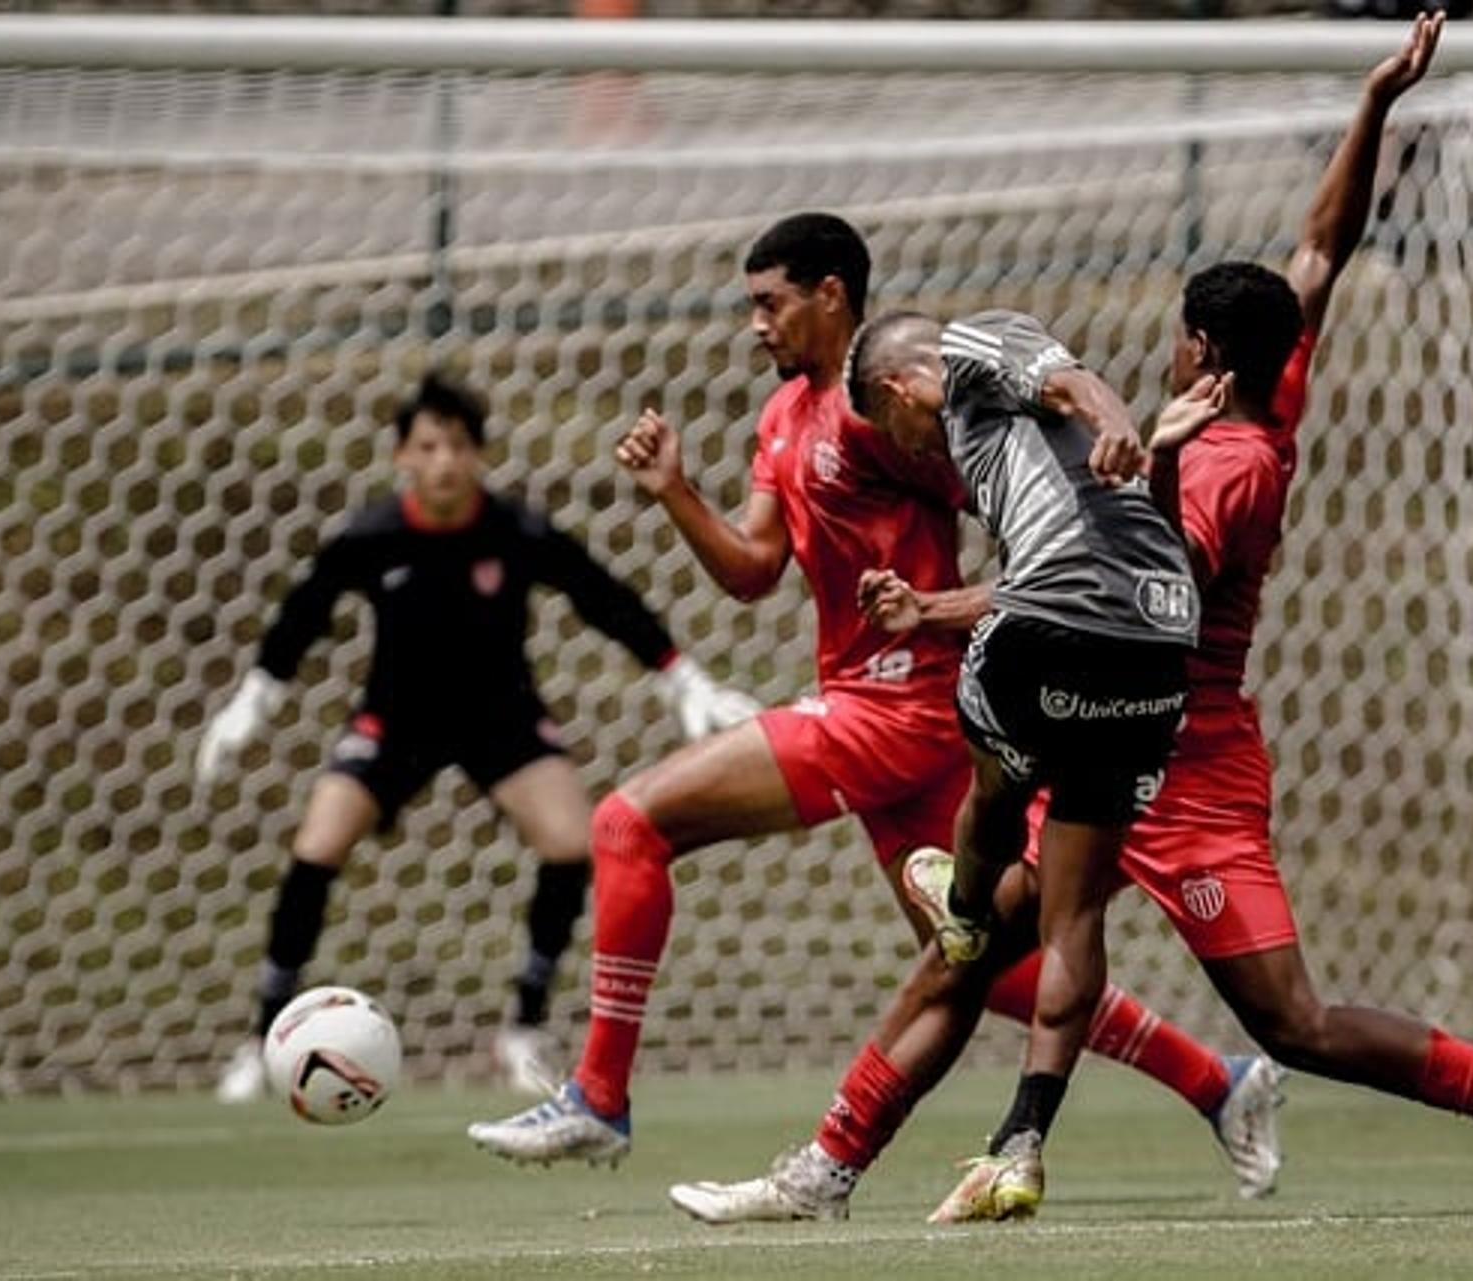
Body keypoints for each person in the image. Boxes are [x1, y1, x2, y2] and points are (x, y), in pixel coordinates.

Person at [670, 12, 1473, 1226]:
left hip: (1178, 755)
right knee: (969, 950)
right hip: (1111, 729)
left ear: (1202, 348)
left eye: (1183, 332)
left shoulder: (1232, 465)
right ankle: (832, 1169)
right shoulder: (1257, 382)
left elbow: (1097, 592)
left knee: (1290, 1020)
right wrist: (1374, 105)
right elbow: (1316, 253)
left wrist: (935, 608)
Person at [465, 213, 1284, 1186]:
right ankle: (1218, 1082)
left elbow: (1031, 477)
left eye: (770, 303)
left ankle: (599, 1098)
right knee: (974, 960)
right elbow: (754, 571)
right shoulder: (784, 420)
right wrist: (677, 492)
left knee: (627, 824)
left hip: (902, 705)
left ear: (831, 296)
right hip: (876, 707)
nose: (756, 325)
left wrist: (1100, 478)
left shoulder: (885, 408)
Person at [199, 374, 758, 1102]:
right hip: (393, 719)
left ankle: (523, 1028)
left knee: (571, 840)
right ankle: (263, 1036)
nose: (444, 461)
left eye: (458, 445)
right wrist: (255, 698)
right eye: (428, 445)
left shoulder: (514, 530)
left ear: (479, 454)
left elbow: (600, 594)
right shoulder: (371, 537)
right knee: (317, 847)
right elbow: (303, 612)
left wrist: (679, 675)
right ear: (402, 455)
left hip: (502, 717)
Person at [824, 299, 1204, 1216]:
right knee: (1071, 912)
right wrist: (925, 609)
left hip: (1059, 628)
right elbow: (1047, 577)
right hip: (1157, 636)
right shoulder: (1015, 457)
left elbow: (1071, 381)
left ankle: (958, 908)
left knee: (991, 772)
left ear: (900, 386)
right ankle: (1022, 1146)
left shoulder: (967, 347)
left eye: (900, 429)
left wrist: (1121, 428)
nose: (916, 448)